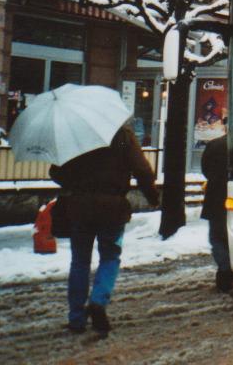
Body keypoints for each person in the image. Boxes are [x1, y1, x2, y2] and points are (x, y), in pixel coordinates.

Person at [49, 125, 159, 336]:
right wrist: (152, 196)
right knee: (110, 257)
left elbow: (57, 171)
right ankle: (99, 301)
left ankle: (76, 319)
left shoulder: (75, 134)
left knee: (79, 261)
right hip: (112, 207)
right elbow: (142, 170)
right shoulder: (122, 134)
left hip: (79, 207)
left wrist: (78, 180)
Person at [201, 134, 233, 292]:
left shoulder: (214, 145)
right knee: (230, 236)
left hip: (215, 197)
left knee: (216, 237)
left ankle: (225, 268)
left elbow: (205, 169)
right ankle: (231, 268)